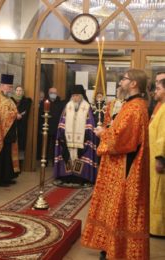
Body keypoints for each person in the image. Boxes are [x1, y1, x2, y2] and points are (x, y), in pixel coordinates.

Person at [81, 69, 150, 260]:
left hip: (125, 168)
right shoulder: (131, 105)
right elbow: (120, 129)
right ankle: (111, 247)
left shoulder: (136, 108)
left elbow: (123, 140)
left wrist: (103, 133)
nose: (121, 82)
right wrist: (108, 129)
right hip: (117, 166)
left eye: (124, 79)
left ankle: (120, 251)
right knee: (113, 208)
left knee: (121, 209)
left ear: (134, 83)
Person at [54, 84, 98, 185]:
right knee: (68, 155)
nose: (75, 98)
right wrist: (62, 135)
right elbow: (62, 122)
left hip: (83, 139)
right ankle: (67, 176)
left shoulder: (86, 107)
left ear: (81, 96)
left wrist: (86, 136)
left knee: (81, 156)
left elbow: (90, 123)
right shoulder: (67, 107)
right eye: (73, 96)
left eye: (77, 95)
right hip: (68, 139)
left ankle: (81, 178)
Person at [0, 74, 20, 186]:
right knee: (1, 155)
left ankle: (7, 177)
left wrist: (14, 113)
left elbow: (12, 109)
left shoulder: (8, 98)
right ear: (2, 85)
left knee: (8, 155)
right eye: (9, 86)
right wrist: (14, 114)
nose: (10, 89)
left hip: (9, 131)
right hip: (0, 131)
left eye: (11, 87)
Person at [149, 77, 165, 237]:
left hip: (160, 160)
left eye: (159, 88)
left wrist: (160, 158)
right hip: (155, 156)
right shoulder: (161, 107)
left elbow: (164, 136)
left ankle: (159, 228)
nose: (156, 91)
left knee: (159, 194)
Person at [37, 87, 64, 163]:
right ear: (49, 93)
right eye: (52, 93)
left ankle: (54, 161)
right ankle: (44, 161)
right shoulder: (44, 102)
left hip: (56, 128)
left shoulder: (60, 103)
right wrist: (40, 127)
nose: (53, 94)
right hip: (46, 127)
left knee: (55, 146)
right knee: (45, 145)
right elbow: (40, 115)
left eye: (55, 93)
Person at [12, 85, 32, 162]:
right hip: (13, 126)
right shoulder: (11, 100)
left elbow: (26, 110)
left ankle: (20, 165)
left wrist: (20, 115)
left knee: (21, 146)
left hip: (22, 126)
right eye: (17, 90)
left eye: (20, 91)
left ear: (23, 92)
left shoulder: (26, 101)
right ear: (14, 91)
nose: (19, 92)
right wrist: (15, 115)